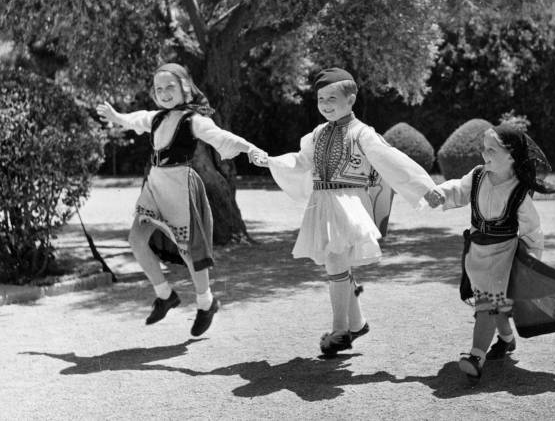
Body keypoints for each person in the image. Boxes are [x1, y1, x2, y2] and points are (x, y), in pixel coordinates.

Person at [251, 67, 442, 357]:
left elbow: (392, 161)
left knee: (335, 259)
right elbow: (301, 162)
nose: (325, 104)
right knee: (337, 262)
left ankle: (340, 330)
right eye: (320, 98)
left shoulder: (363, 133)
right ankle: (358, 322)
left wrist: (424, 187)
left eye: (332, 98)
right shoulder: (315, 135)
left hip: (348, 203)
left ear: (351, 100)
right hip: (321, 204)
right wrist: (271, 162)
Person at [96, 63, 263, 336]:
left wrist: (250, 148)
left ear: (185, 88)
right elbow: (137, 119)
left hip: (180, 187)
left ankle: (206, 302)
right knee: (137, 240)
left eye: (170, 87)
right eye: (159, 88)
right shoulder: (157, 118)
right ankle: (165, 295)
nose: (164, 93)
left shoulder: (194, 120)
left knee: (190, 252)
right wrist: (116, 116)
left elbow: (221, 137)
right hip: (155, 185)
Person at [427, 123, 555, 382]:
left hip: (504, 258)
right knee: (494, 307)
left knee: (488, 306)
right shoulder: (476, 176)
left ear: (511, 155)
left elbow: (532, 231)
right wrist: (441, 194)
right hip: (477, 254)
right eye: (484, 149)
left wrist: (529, 265)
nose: (485, 155)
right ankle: (507, 339)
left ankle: (476, 356)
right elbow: (458, 190)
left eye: (492, 150)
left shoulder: (519, 191)